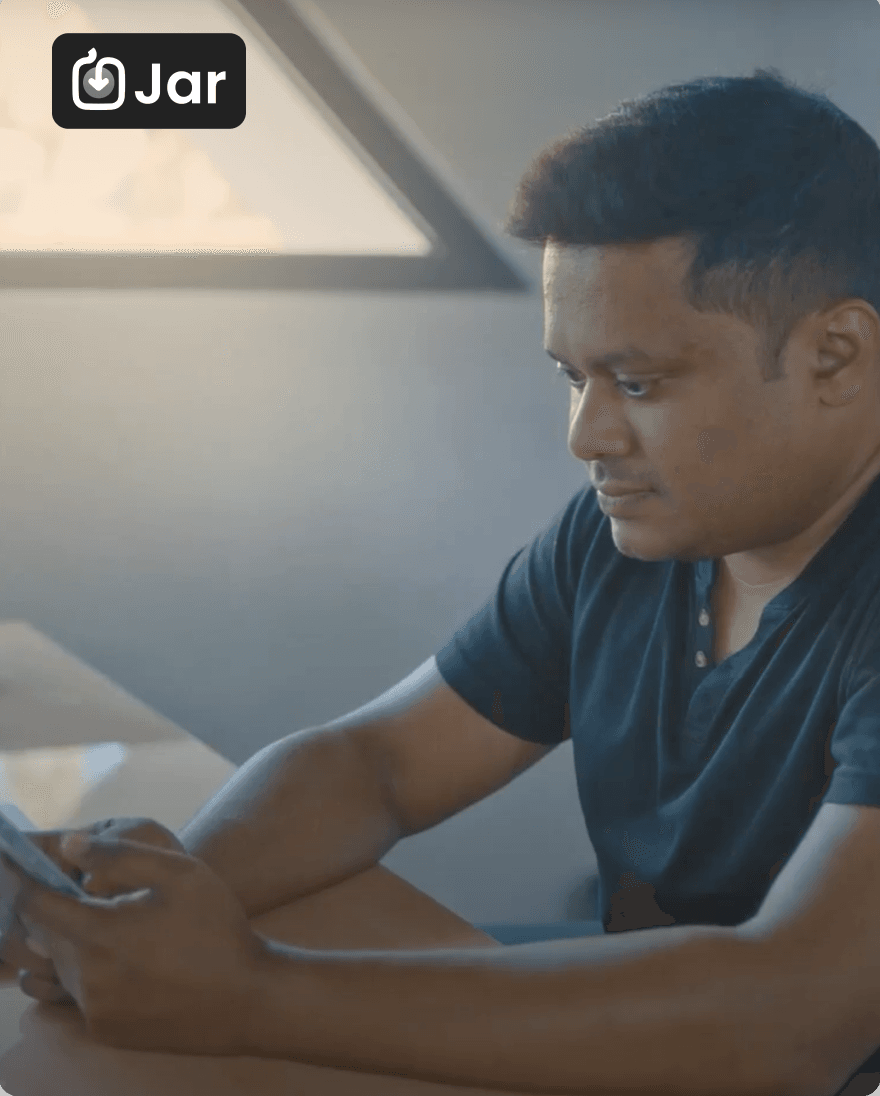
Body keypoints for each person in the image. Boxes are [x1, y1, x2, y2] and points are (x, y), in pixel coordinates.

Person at [2, 65, 880, 1096]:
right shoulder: (624, 539)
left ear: (836, 355)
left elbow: (791, 1020)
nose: (587, 436)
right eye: (573, 377)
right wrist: (161, 911)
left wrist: (245, 992)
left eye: (639, 383)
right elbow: (375, 763)